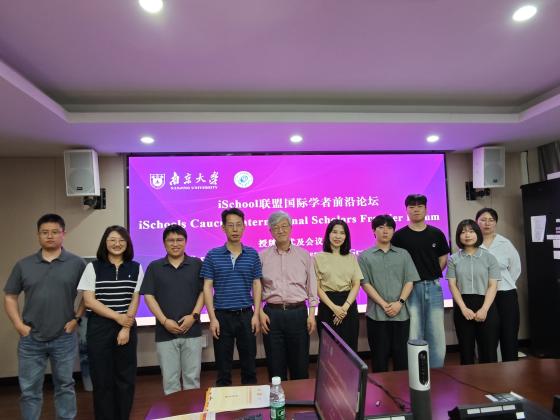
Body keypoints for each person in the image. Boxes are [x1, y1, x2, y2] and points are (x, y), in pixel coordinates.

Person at [3, 214, 86, 420]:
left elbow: (89, 295)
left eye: (55, 232)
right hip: (30, 338)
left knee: (65, 386)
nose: (50, 236)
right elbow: (10, 296)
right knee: (29, 390)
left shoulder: (77, 263)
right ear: (38, 235)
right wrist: (19, 325)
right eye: (45, 232)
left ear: (63, 234)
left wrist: (76, 319)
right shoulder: (24, 265)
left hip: (64, 337)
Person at [77, 225, 143, 420]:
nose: (117, 244)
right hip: (99, 327)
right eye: (112, 240)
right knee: (102, 379)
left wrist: (125, 327)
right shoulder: (93, 267)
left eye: (121, 240)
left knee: (126, 379)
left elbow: (135, 299)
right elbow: (89, 301)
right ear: (105, 243)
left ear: (127, 244)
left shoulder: (136, 267)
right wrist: (117, 317)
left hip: (126, 327)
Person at [140, 224, 204, 395]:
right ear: (164, 243)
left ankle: (193, 410)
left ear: (185, 242)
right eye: (171, 240)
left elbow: (204, 292)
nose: (175, 244)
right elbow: (148, 296)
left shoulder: (197, 264)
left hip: (192, 331)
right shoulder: (154, 267)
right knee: (170, 382)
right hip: (165, 333)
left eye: (179, 240)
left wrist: (194, 316)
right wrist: (164, 321)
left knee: (192, 380)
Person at [201, 208, 262, 386]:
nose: (235, 229)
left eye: (238, 225)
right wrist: (212, 318)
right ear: (223, 228)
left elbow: (257, 284)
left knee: (249, 366)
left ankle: (251, 402)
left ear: (244, 227)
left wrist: (256, 314)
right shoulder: (213, 255)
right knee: (223, 368)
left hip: (246, 315)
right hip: (222, 316)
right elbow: (207, 287)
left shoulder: (252, 254)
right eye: (230, 225)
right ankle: (224, 403)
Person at [392, 194, 450, 368]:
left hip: (433, 287)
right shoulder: (399, 236)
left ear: (426, 209)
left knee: (436, 332)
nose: (416, 210)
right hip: (410, 289)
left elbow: (443, 258)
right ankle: (417, 371)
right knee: (414, 331)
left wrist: (431, 274)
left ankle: (437, 370)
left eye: (419, 206)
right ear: (406, 210)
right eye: (411, 207)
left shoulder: (436, 233)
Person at [260, 211, 318, 380]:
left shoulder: (304, 255)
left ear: (291, 228)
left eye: (284, 226)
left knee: (300, 365)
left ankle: (299, 397)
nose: (281, 230)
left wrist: (312, 315)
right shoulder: (262, 256)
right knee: (275, 365)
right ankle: (278, 397)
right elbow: (255, 288)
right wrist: (259, 312)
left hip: (298, 313)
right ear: (270, 231)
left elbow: (312, 286)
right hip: (272, 314)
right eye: (276, 227)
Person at [358, 215, 418, 372]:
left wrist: (400, 303)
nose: (385, 231)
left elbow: (409, 281)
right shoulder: (364, 256)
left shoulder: (403, 254)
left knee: (402, 359)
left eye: (389, 228)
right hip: (376, 315)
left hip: (401, 314)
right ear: (373, 231)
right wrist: (384, 304)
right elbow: (365, 283)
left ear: (393, 231)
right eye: (381, 227)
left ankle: (402, 388)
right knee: (379, 359)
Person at [447, 219, 500, 365]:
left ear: (477, 234)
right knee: (466, 354)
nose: (467, 235)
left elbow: (493, 285)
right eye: (463, 232)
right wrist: (463, 308)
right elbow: (452, 285)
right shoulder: (453, 259)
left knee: (489, 353)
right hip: (463, 307)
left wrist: (484, 309)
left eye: (471, 231)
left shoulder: (489, 257)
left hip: (486, 306)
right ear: (458, 236)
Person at [476, 208, 522, 362]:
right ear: (477, 222)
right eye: (483, 220)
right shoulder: (472, 243)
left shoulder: (505, 243)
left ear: (495, 223)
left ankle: (512, 371)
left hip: (505, 293)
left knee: (509, 335)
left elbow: (515, 268)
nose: (487, 223)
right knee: (487, 338)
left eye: (491, 220)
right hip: (482, 295)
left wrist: (501, 283)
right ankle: (487, 372)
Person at [313, 219, 362, 352]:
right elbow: (317, 288)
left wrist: (344, 308)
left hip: (348, 306)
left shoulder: (352, 257)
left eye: (342, 233)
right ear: (328, 234)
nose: (338, 236)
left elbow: (356, 284)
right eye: (334, 232)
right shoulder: (318, 258)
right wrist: (334, 308)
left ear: (346, 237)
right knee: (329, 350)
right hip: (328, 306)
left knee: (350, 350)